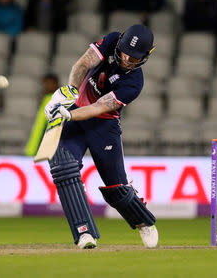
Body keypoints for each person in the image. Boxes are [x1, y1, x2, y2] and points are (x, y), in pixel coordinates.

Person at [42, 24, 158, 249]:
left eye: (133, 58)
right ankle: (84, 232)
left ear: (144, 57)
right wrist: (70, 92)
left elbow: (98, 108)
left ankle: (143, 221)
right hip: (76, 118)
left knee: (117, 189)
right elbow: (83, 64)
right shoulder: (113, 39)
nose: (125, 59)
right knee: (62, 167)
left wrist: (67, 113)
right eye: (124, 52)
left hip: (103, 127)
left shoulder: (134, 83)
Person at [24, 73, 60, 156]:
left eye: (49, 83)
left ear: (56, 84)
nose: (46, 86)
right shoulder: (46, 99)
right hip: (36, 149)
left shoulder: (54, 100)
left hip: (43, 151)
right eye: (45, 83)